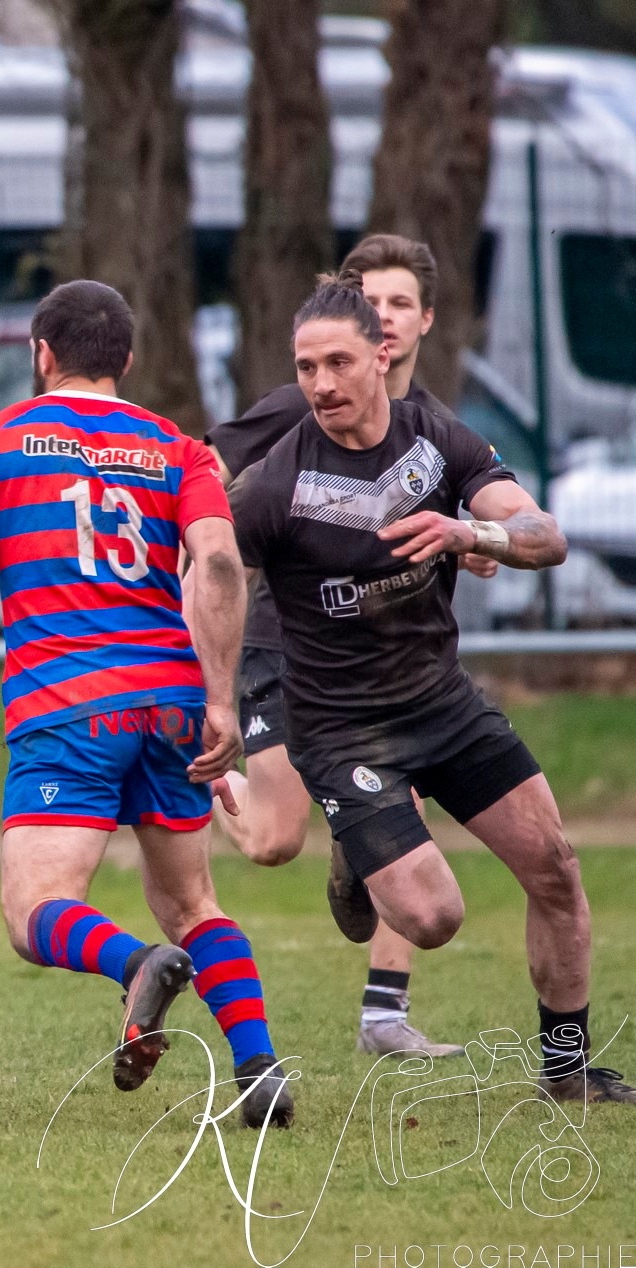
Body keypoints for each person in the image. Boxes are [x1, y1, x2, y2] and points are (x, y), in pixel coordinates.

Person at [230, 271, 633, 1103]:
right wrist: (198, 695)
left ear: (383, 356)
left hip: (443, 706)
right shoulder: (276, 483)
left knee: (557, 868)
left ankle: (566, 1072)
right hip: (341, 730)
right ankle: (352, 847)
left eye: (338, 363)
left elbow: (544, 535)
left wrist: (470, 531)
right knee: (433, 918)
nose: (320, 384)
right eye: (306, 367)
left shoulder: (435, 439)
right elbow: (209, 571)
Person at [0, 279, 292, 1128]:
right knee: (192, 903)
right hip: (173, 705)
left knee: (33, 911)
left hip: (69, 704)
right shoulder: (179, 449)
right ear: (127, 358)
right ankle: (259, 1066)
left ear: (41, 354)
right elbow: (219, 565)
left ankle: (135, 966)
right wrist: (220, 702)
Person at [208, 234, 492, 1058]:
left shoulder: (430, 427)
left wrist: (480, 543)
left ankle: (383, 1015)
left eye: (401, 303)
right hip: (288, 648)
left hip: (389, 662)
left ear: (423, 321)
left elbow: (481, 515)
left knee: (406, 801)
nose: (385, 315)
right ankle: (210, 779)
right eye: (371, 301)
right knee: (272, 841)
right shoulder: (301, 404)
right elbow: (208, 478)